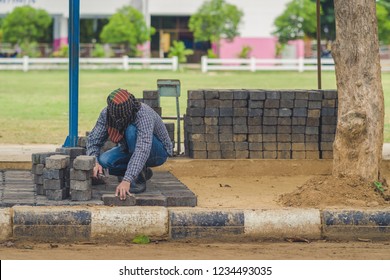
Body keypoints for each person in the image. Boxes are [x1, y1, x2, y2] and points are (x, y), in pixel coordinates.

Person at [86, 88, 173, 200]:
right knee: (104, 160)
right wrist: (95, 162)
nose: (118, 121)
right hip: (130, 149)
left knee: (131, 130)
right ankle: (142, 172)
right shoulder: (107, 114)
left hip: (157, 152)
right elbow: (93, 140)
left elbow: (142, 149)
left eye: (121, 118)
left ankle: (136, 178)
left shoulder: (143, 114)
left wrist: (127, 180)